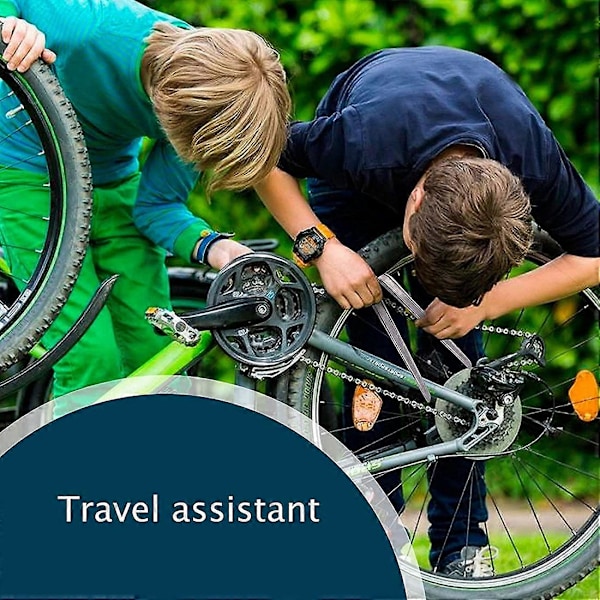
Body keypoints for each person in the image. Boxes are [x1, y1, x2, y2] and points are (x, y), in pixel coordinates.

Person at [254, 46, 599, 574]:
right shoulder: (360, 141)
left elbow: (594, 256)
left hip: (469, 125)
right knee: (374, 365)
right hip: (361, 179)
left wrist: (487, 303)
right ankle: (374, 539)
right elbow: (262, 156)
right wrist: (321, 247)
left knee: (463, 379)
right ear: (413, 203)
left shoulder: (531, 159)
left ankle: (461, 549)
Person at [0, 0, 290, 397]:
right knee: (90, 358)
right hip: (27, 175)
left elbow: (157, 208)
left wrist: (216, 248)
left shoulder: (209, 99)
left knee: (155, 355)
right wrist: (9, 22)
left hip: (113, 180)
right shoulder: (89, 28)